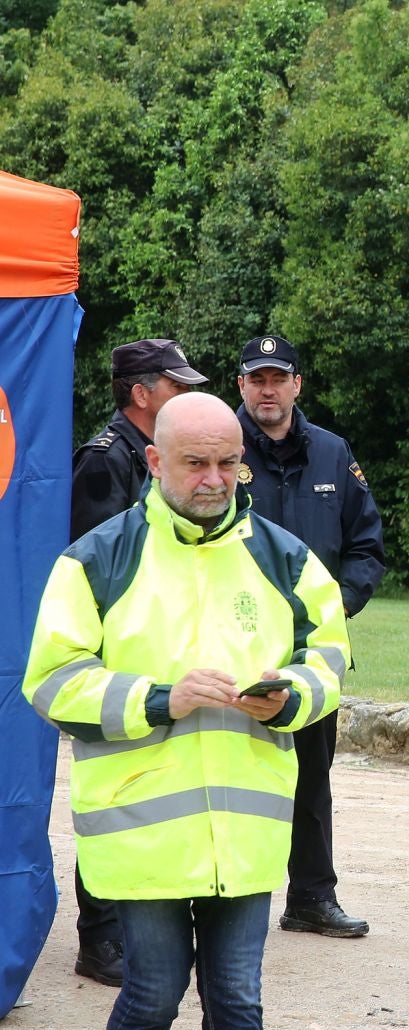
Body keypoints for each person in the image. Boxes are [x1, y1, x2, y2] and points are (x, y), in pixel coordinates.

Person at [24, 391, 349, 1030]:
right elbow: (51, 679)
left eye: (228, 463)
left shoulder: (283, 555)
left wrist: (291, 695)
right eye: (195, 462)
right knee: (152, 994)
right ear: (153, 461)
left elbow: (329, 658)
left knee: (238, 998)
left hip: (247, 831)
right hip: (144, 831)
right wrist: (161, 698)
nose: (213, 479)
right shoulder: (97, 558)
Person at [64, 339, 209, 987]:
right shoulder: (105, 460)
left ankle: (142, 924)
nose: (188, 394)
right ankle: (99, 939)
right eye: (176, 384)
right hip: (116, 659)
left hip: (163, 651)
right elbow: (103, 569)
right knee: (112, 798)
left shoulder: (164, 459)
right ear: (142, 393)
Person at [233, 335, 387, 939]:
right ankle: (225, 901)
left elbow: (365, 548)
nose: (267, 390)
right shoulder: (217, 447)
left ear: (298, 383)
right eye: (256, 379)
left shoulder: (332, 453)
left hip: (310, 654)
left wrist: (330, 615)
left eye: (278, 378)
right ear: (241, 385)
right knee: (229, 773)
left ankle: (310, 897)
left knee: (311, 774)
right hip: (232, 647)